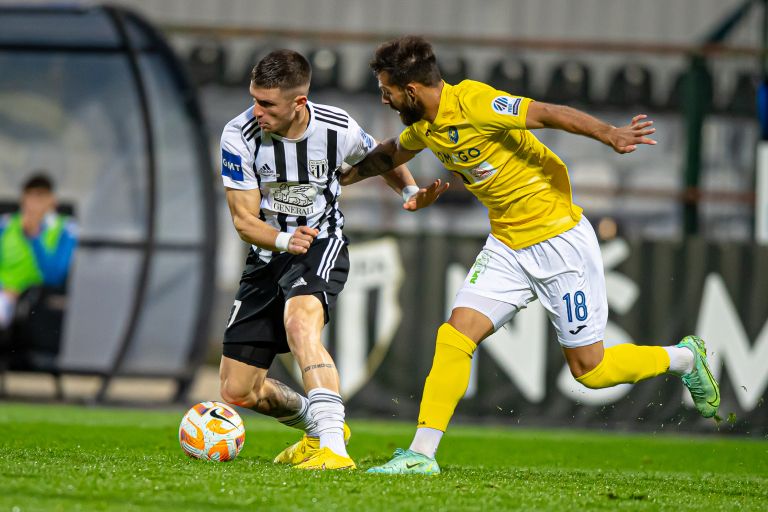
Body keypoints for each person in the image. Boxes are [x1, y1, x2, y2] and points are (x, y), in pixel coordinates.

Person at [342, 36, 720, 475]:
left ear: (410, 90)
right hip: (506, 245)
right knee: (455, 335)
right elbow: (391, 153)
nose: (383, 99)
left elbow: (546, 113)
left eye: (386, 90)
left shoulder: (475, 103)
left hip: (559, 242)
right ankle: (421, 455)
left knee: (591, 371)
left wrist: (609, 134)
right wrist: (343, 178)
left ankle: (684, 358)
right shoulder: (425, 126)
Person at [218, 49, 445, 471]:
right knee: (238, 391)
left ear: (299, 102)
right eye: (254, 99)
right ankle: (319, 427)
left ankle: (334, 451)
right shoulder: (239, 134)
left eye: (267, 104)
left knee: (300, 324)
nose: (256, 111)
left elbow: (378, 157)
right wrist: (283, 239)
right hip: (269, 251)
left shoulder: (337, 127)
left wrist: (410, 191)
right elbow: (244, 221)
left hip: (321, 244)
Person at [0, 174, 77, 330]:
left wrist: (34, 238)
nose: (34, 204)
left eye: (40, 197)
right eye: (30, 197)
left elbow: (54, 276)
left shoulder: (65, 229)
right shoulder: (6, 224)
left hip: (33, 299)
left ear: (52, 200)